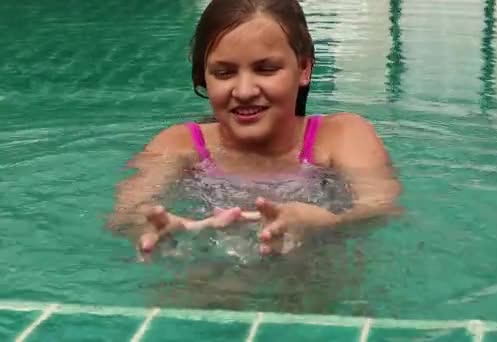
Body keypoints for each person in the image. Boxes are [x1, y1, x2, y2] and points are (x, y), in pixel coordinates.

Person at [108, 0, 402, 262]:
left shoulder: (341, 137)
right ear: (204, 77)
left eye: (266, 69)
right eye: (224, 73)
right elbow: (128, 211)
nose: (245, 91)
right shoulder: (180, 145)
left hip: (315, 277)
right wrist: (155, 229)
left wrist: (326, 224)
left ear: (303, 69)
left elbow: (379, 208)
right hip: (210, 280)